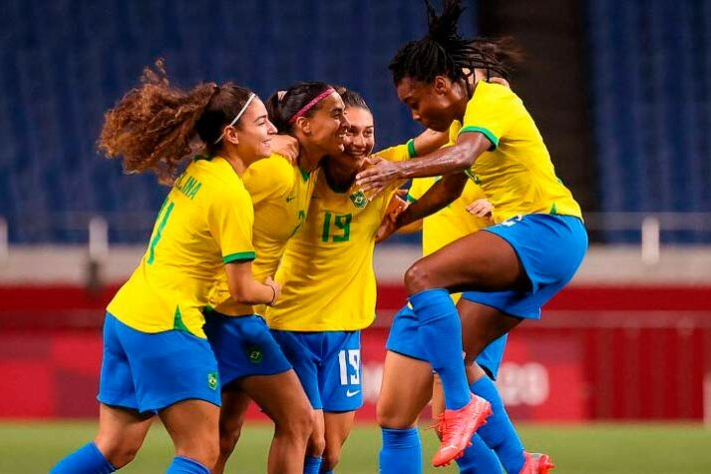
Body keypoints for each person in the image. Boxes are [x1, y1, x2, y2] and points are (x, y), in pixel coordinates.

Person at [357, 0, 587, 469]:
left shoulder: (493, 101)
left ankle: (463, 409)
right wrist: (399, 220)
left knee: (422, 277)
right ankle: (518, 462)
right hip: (539, 243)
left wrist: (396, 169)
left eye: (414, 101)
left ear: (441, 84)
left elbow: (462, 158)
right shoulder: (464, 119)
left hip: (548, 228)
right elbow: (448, 187)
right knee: (454, 360)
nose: (416, 114)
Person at [51, 62, 280, 474]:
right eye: (263, 123)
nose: (272, 132)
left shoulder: (201, 170)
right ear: (231, 135)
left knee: (115, 446)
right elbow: (242, 289)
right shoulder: (231, 195)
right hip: (166, 323)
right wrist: (273, 290)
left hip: (127, 315)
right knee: (200, 453)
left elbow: (255, 152)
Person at [264, 88, 448, 474]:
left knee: (330, 450)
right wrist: (278, 138)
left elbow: (438, 136)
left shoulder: (383, 170)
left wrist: (476, 105)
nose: (359, 141)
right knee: (306, 437)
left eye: (368, 131)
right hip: (292, 325)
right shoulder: (303, 172)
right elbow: (265, 143)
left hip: (346, 329)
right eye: (348, 131)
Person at [204, 82, 350, 474]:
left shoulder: (307, 171)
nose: (345, 122)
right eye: (335, 114)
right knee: (300, 422)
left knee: (225, 433)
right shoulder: (272, 170)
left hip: (239, 313)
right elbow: (212, 195)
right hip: (221, 312)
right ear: (304, 125)